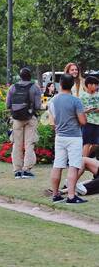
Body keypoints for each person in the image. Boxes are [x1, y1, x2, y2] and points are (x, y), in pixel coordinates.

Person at [47, 74, 89, 203]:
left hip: (60, 136)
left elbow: (52, 122)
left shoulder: (52, 100)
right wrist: (83, 114)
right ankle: (71, 196)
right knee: (74, 166)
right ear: (72, 85)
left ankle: (55, 195)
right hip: (74, 137)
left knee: (57, 165)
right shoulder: (75, 101)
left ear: (60, 83)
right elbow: (83, 121)